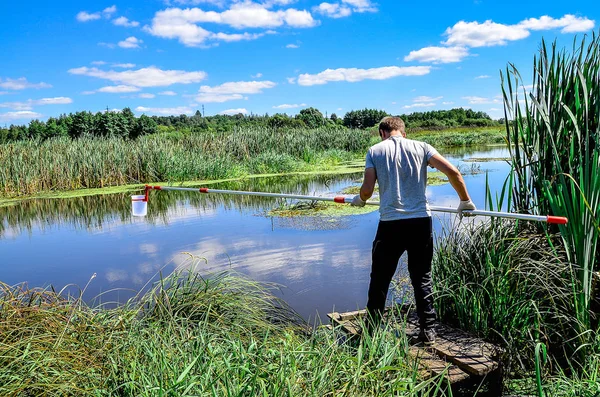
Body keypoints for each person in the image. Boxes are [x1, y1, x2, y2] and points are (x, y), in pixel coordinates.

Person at [351, 116, 476, 344]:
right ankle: (428, 331)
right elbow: (453, 172)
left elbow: (368, 190)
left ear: (382, 133)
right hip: (420, 222)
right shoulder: (423, 147)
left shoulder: (375, 151)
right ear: (403, 132)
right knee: (422, 277)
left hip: (391, 224)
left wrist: (359, 199)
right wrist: (465, 200)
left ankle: (371, 331)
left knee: (380, 279)